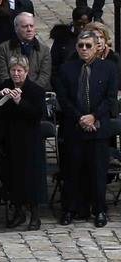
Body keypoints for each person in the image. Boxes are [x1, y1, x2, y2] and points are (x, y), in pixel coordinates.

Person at [54, 28, 114, 224]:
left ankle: (99, 210)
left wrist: (93, 116)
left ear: (97, 47)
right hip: (74, 127)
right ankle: (70, 209)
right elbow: (64, 99)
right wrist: (81, 118)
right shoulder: (66, 68)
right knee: (72, 171)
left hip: (98, 128)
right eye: (81, 46)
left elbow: (110, 99)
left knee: (97, 172)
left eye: (88, 46)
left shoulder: (108, 69)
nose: (84, 49)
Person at [0, 52, 46, 226]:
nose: (16, 74)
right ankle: (18, 212)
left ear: (26, 71)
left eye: (19, 71)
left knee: (31, 178)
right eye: (13, 70)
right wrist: (0, 95)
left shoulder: (35, 90)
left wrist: (20, 102)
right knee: (13, 177)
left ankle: (35, 215)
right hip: (11, 140)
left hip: (30, 141)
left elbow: (38, 114)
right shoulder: (6, 85)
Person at [0, 10, 48, 85]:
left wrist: (31, 90)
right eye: (25, 26)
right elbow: (2, 75)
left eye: (31, 26)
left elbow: (44, 76)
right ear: (16, 28)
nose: (29, 30)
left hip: (36, 92)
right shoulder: (4, 48)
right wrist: (15, 90)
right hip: (10, 92)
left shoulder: (44, 50)